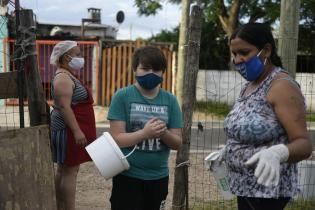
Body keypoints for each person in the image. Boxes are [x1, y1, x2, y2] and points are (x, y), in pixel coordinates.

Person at [221, 23, 313, 210]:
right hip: (245, 189)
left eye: (244, 53)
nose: (238, 60)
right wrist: (228, 150)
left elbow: (304, 144)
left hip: (268, 193)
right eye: (234, 54)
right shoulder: (250, 85)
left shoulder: (282, 87)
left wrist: (278, 153)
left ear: (267, 50)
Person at [107, 46, 183, 210]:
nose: (151, 73)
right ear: (135, 69)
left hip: (159, 178)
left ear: (163, 72)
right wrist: (144, 133)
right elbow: (117, 139)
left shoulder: (170, 100)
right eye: (145, 68)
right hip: (127, 176)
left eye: (157, 69)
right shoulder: (123, 96)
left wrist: (163, 133)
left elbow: (178, 143)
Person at [50, 40, 96, 210]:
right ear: (66, 56)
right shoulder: (62, 77)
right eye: (77, 54)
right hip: (66, 131)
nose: (80, 58)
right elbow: (64, 106)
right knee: (69, 171)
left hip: (67, 130)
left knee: (64, 169)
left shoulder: (66, 75)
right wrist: (77, 131)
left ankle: (59, 206)